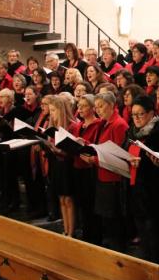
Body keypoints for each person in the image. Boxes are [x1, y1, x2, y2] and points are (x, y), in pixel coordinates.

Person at [127, 95, 159, 264]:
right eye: (133, 114)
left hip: (154, 194)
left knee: (154, 240)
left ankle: (155, 272)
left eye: (140, 114)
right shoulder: (132, 132)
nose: (136, 118)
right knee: (143, 239)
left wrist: (157, 164)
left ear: (151, 113)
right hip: (136, 191)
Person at [84, 92, 130, 251]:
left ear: (111, 105)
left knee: (114, 219)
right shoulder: (104, 123)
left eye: (100, 106)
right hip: (103, 175)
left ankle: (118, 250)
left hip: (113, 178)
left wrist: (94, 160)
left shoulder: (119, 124)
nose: (97, 110)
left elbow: (118, 156)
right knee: (107, 219)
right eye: (96, 107)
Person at [72, 94, 106, 245]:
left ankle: (94, 237)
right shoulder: (79, 125)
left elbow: (96, 146)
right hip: (78, 166)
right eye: (78, 106)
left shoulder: (98, 124)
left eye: (84, 106)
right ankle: (86, 233)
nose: (79, 109)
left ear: (93, 108)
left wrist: (84, 143)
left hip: (90, 169)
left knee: (91, 204)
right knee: (81, 203)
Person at [46, 95, 81, 237]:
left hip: (68, 166)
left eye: (54, 110)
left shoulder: (72, 126)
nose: (51, 114)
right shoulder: (53, 127)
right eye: (50, 111)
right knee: (61, 198)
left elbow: (74, 150)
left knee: (68, 199)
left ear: (61, 110)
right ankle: (65, 230)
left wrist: (60, 151)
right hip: (57, 165)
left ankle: (71, 232)